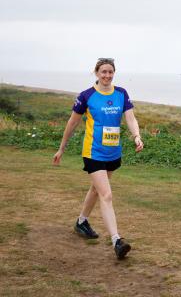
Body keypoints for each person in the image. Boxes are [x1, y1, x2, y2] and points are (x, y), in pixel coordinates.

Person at [53, 58, 144, 260]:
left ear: (114, 73)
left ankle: (81, 221)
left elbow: (130, 118)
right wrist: (61, 149)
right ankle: (116, 241)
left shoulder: (121, 93)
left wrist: (136, 135)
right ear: (96, 73)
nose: (107, 75)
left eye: (110, 72)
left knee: (96, 189)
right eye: (103, 72)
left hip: (113, 152)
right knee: (106, 195)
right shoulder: (86, 96)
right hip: (93, 153)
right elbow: (72, 123)